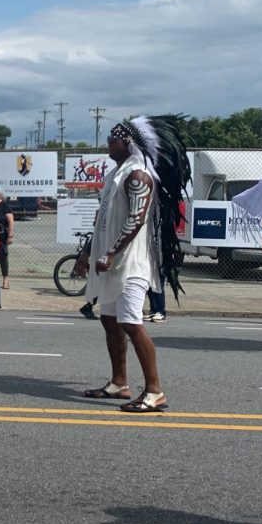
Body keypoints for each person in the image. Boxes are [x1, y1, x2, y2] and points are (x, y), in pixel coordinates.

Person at [78, 116, 189, 413]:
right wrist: (88, 252)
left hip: (131, 264)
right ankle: (119, 383)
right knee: (109, 320)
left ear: (128, 142)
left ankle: (155, 391)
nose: (108, 145)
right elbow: (102, 220)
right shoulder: (117, 174)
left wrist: (112, 253)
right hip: (112, 262)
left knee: (130, 322)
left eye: (112, 140)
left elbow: (136, 220)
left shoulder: (138, 175)